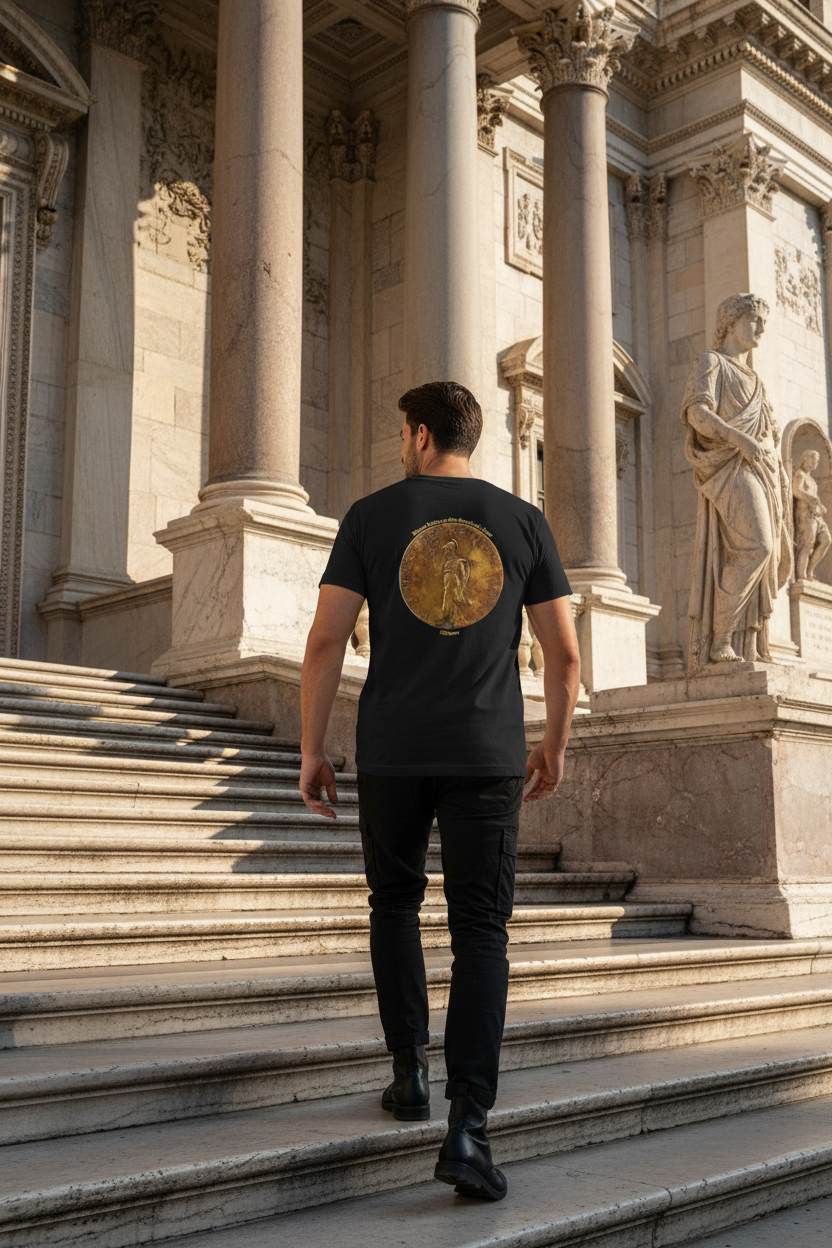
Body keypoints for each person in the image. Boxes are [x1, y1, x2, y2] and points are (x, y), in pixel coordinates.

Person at [299, 381, 581, 1202]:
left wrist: (314, 749)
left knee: (393, 905)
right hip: (486, 752)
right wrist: (554, 745)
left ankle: (406, 1078)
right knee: (482, 933)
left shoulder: (370, 517)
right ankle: (468, 1127)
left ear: (420, 436)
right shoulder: (522, 520)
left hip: (390, 749)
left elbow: (324, 640)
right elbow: (563, 655)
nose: (399, 444)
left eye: (400, 433)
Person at [680, 293, 792, 671]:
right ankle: (721, 639)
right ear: (731, 321)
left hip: (762, 470)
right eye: (754, 319)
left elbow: (771, 432)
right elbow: (696, 413)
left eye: (763, 322)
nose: (760, 328)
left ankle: (748, 644)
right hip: (729, 466)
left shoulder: (756, 379)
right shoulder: (712, 363)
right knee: (757, 545)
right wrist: (737, 438)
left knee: (768, 551)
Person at [793, 449, 831, 581]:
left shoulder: (812, 480)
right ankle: (802, 576)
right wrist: (812, 499)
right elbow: (796, 491)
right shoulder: (800, 474)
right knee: (807, 545)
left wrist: (820, 507)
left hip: (816, 516)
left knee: (826, 540)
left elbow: (814, 498)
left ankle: (810, 570)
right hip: (805, 514)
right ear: (805, 459)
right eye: (813, 460)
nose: (816, 463)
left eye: (817, 461)